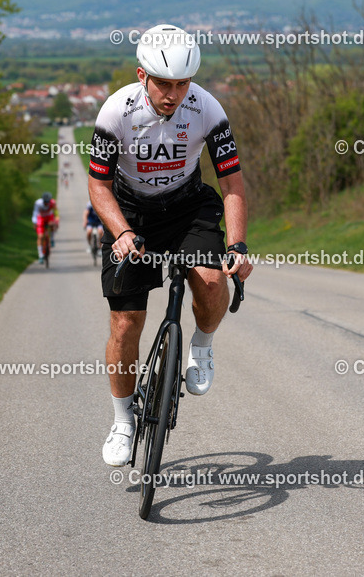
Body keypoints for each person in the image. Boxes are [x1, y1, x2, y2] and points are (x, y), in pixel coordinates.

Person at [88, 24, 253, 467]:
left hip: (186, 208)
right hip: (130, 213)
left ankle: (201, 344)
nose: (173, 94)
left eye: (183, 84)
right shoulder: (115, 112)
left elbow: (231, 179)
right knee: (125, 322)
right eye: (164, 83)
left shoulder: (207, 108)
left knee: (211, 278)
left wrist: (237, 243)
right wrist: (121, 233)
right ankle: (123, 420)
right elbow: (98, 186)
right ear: (142, 76)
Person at [31, 192, 59, 264]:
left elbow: (56, 212)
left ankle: (52, 239)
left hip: (49, 216)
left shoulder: (52, 203)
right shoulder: (38, 203)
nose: (46, 203)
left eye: (48, 202)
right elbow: (35, 213)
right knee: (40, 237)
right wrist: (35, 223)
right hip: (41, 218)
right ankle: (40, 255)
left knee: (52, 225)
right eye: (45, 202)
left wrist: (56, 221)